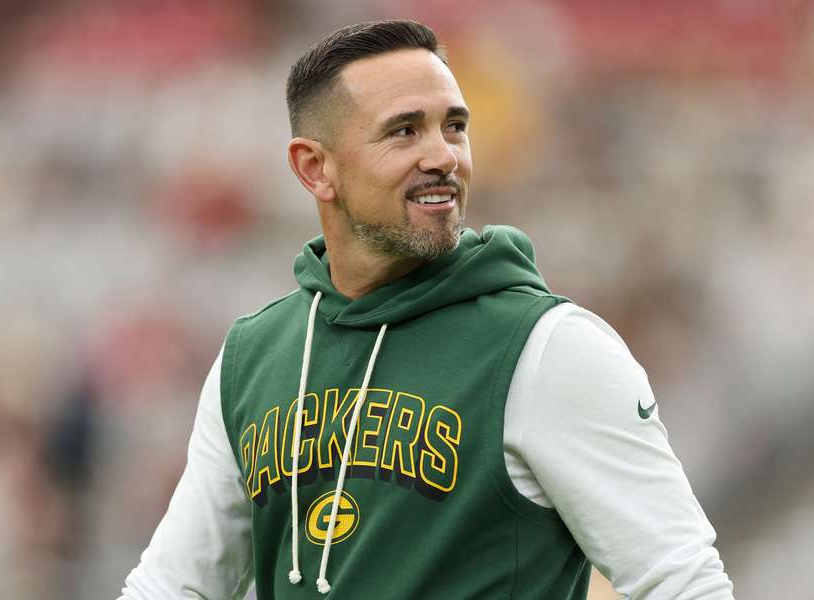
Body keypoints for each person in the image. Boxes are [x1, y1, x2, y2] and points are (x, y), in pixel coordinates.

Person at [119, 20, 734, 599]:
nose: (443, 156)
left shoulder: (548, 347)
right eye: (404, 130)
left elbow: (683, 580)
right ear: (315, 168)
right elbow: (172, 585)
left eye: (455, 127)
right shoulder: (252, 356)